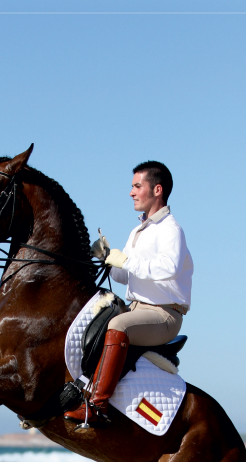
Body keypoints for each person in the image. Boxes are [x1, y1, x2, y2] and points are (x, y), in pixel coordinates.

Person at [65, 160, 193, 427]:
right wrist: (108, 260)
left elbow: (168, 268)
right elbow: (124, 276)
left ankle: (97, 407)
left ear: (157, 190)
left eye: (137, 186)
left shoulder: (171, 229)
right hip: (137, 309)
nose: (131, 192)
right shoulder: (138, 230)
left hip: (164, 315)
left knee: (117, 325)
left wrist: (126, 261)